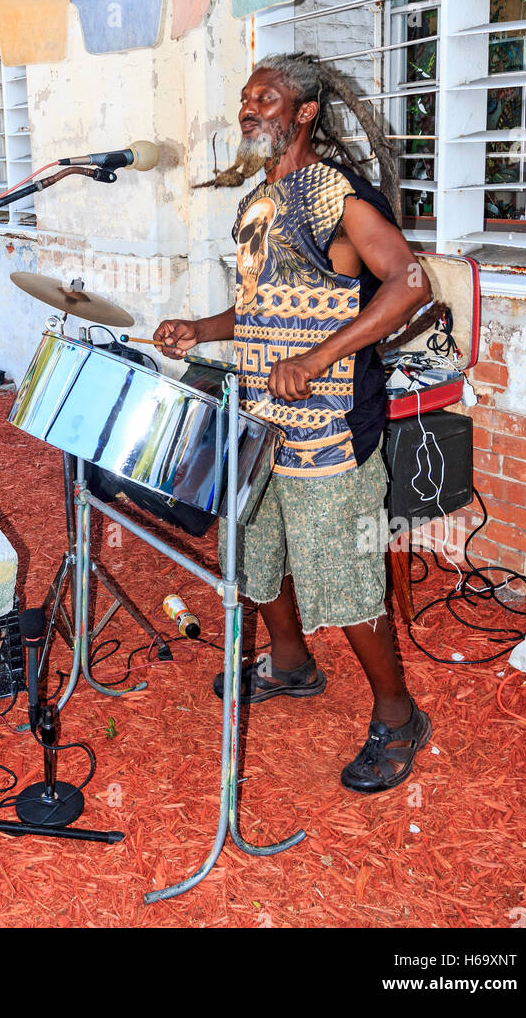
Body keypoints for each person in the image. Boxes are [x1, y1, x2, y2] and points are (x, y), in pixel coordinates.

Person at [153, 52, 433, 793]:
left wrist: (315, 359)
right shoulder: (256, 200)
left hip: (329, 425)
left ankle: (398, 716)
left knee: (338, 575)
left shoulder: (334, 194)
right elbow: (258, 308)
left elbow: (410, 284)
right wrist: (202, 328)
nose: (250, 111)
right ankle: (290, 664)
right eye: (246, 99)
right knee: (252, 550)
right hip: (257, 413)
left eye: (266, 99)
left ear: (303, 112)